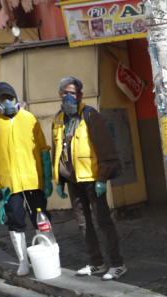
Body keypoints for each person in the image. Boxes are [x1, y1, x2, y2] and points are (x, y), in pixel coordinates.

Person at [51, 77, 126, 280]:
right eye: (65, 92)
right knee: (83, 223)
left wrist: (102, 178)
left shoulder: (90, 116)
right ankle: (96, 262)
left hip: (92, 178)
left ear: (80, 95)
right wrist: (58, 180)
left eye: (73, 93)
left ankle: (117, 264)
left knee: (103, 220)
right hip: (73, 180)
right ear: (60, 95)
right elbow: (57, 151)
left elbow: (106, 150)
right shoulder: (58, 119)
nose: (69, 96)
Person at [0, 82, 53, 276]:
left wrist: (47, 179)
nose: (7, 102)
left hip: (32, 179)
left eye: (10, 98)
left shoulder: (29, 118)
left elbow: (43, 148)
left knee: (41, 217)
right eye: (2, 99)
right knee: (15, 220)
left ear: (16, 99)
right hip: (8, 184)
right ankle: (23, 261)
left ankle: (49, 256)